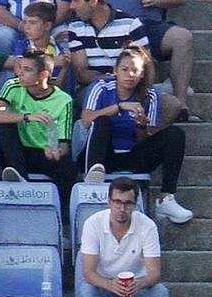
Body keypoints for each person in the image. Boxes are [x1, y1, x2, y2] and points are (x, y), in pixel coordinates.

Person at [81, 47, 190, 224]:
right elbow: (86, 120)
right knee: (102, 121)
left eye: (135, 71)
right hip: (102, 154)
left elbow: (144, 139)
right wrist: (119, 107)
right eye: (124, 69)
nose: (129, 75)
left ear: (141, 75)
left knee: (175, 134)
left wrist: (141, 126)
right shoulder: (101, 87)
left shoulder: (150, 96)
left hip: (132, 155)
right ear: (115, 71)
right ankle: (94, 180)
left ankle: (166, 198)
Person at [78, 176, 172, 297]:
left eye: (128, 203)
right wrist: (109, 285)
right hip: (103, 286)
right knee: (86, 291)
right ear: (109, 202)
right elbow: (88, 273)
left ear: (135, 205)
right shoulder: (93, 224)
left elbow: (155, 273)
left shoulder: (147, 226)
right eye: (117, 202)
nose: (122, 209)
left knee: (160, 293)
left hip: (136, 288)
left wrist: (140, 283)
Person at [0, 49, 75, 209]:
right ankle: (20, 178)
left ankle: (61, 216)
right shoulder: (13, 86)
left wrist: (57, 151)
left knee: (69, 168)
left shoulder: (64, 100)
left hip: (43, 153)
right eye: (20, 67)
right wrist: (27, 116)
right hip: (14, 151)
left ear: (43, 75)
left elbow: (64, 143)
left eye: (27, 70)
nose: (20, 73)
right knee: (7, 122)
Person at [58, 0, 147, 93]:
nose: (72, 7)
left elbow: (146, 64)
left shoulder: (130, 25)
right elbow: (81, 72)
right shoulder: (75, 27)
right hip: (94, 89)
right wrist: (108, 82)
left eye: (75, 1)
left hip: (130, 89)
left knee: (170, 103)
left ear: (93, 1)